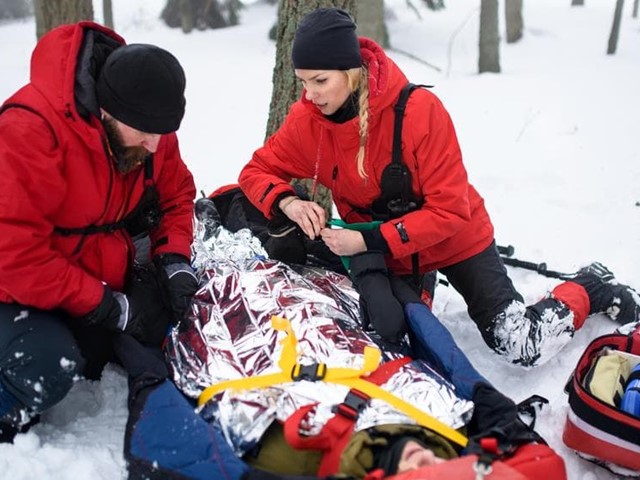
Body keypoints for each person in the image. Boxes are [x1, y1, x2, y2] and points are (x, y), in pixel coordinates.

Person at [238, 7, 640, 367]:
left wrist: (372, 242)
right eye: (303, 81)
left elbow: (451, 210)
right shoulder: (308, 121)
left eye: (320, 80)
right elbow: (255, 171)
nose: (310, 94)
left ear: (350, 71)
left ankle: (593, 286)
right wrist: (288, 202)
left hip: (455, 239)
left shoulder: (419, 113)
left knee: (518, 343)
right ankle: (422, 286)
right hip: (392, 253)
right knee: (403, 341)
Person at [0, 22, 198, 442]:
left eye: (162, 135)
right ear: (105, 111)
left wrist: (174, 258)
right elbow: (14, 255)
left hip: (77, 278)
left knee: (132, 338)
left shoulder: (148, 127)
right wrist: (106, 305)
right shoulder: (31, 131)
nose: (153, 146)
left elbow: (176, 194)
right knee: (47, 364)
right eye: (145, 134)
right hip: (12, 285)